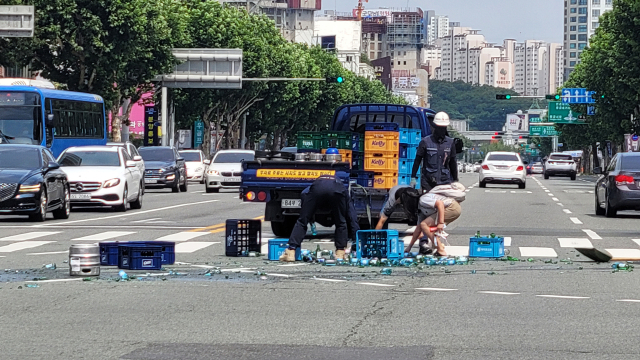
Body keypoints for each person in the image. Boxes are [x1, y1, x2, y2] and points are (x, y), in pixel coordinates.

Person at [280, 174, 359, 262]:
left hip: (317, 189)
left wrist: (308, 215)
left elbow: (303, 194)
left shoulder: (312, 186)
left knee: (302, 221)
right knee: (341, 222)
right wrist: (356, 240)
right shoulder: (343, 189)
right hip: (337, 190)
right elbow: (352, 216)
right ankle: (340, 253)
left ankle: (291, 251)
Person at [405, 182, 466, 256]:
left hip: (451, 207)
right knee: (426, 227)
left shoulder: (423, 200)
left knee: (424, 224)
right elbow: (418, 229)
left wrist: (440, 222)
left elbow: (440, 203)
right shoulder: (421, 210)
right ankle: (438, 247)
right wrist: (409, 247)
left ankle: (440, 249)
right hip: (453, 208)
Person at [411, 112, 458, 193]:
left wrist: (455, 180)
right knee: (426, 204)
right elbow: (417, 160)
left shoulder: (450, 143)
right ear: (435, 126)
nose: (442, 130)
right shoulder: (425, 142)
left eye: (443, 127)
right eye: (440, 127)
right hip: (428, 183)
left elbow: (453, 163)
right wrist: (413, 177)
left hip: (445, 182)